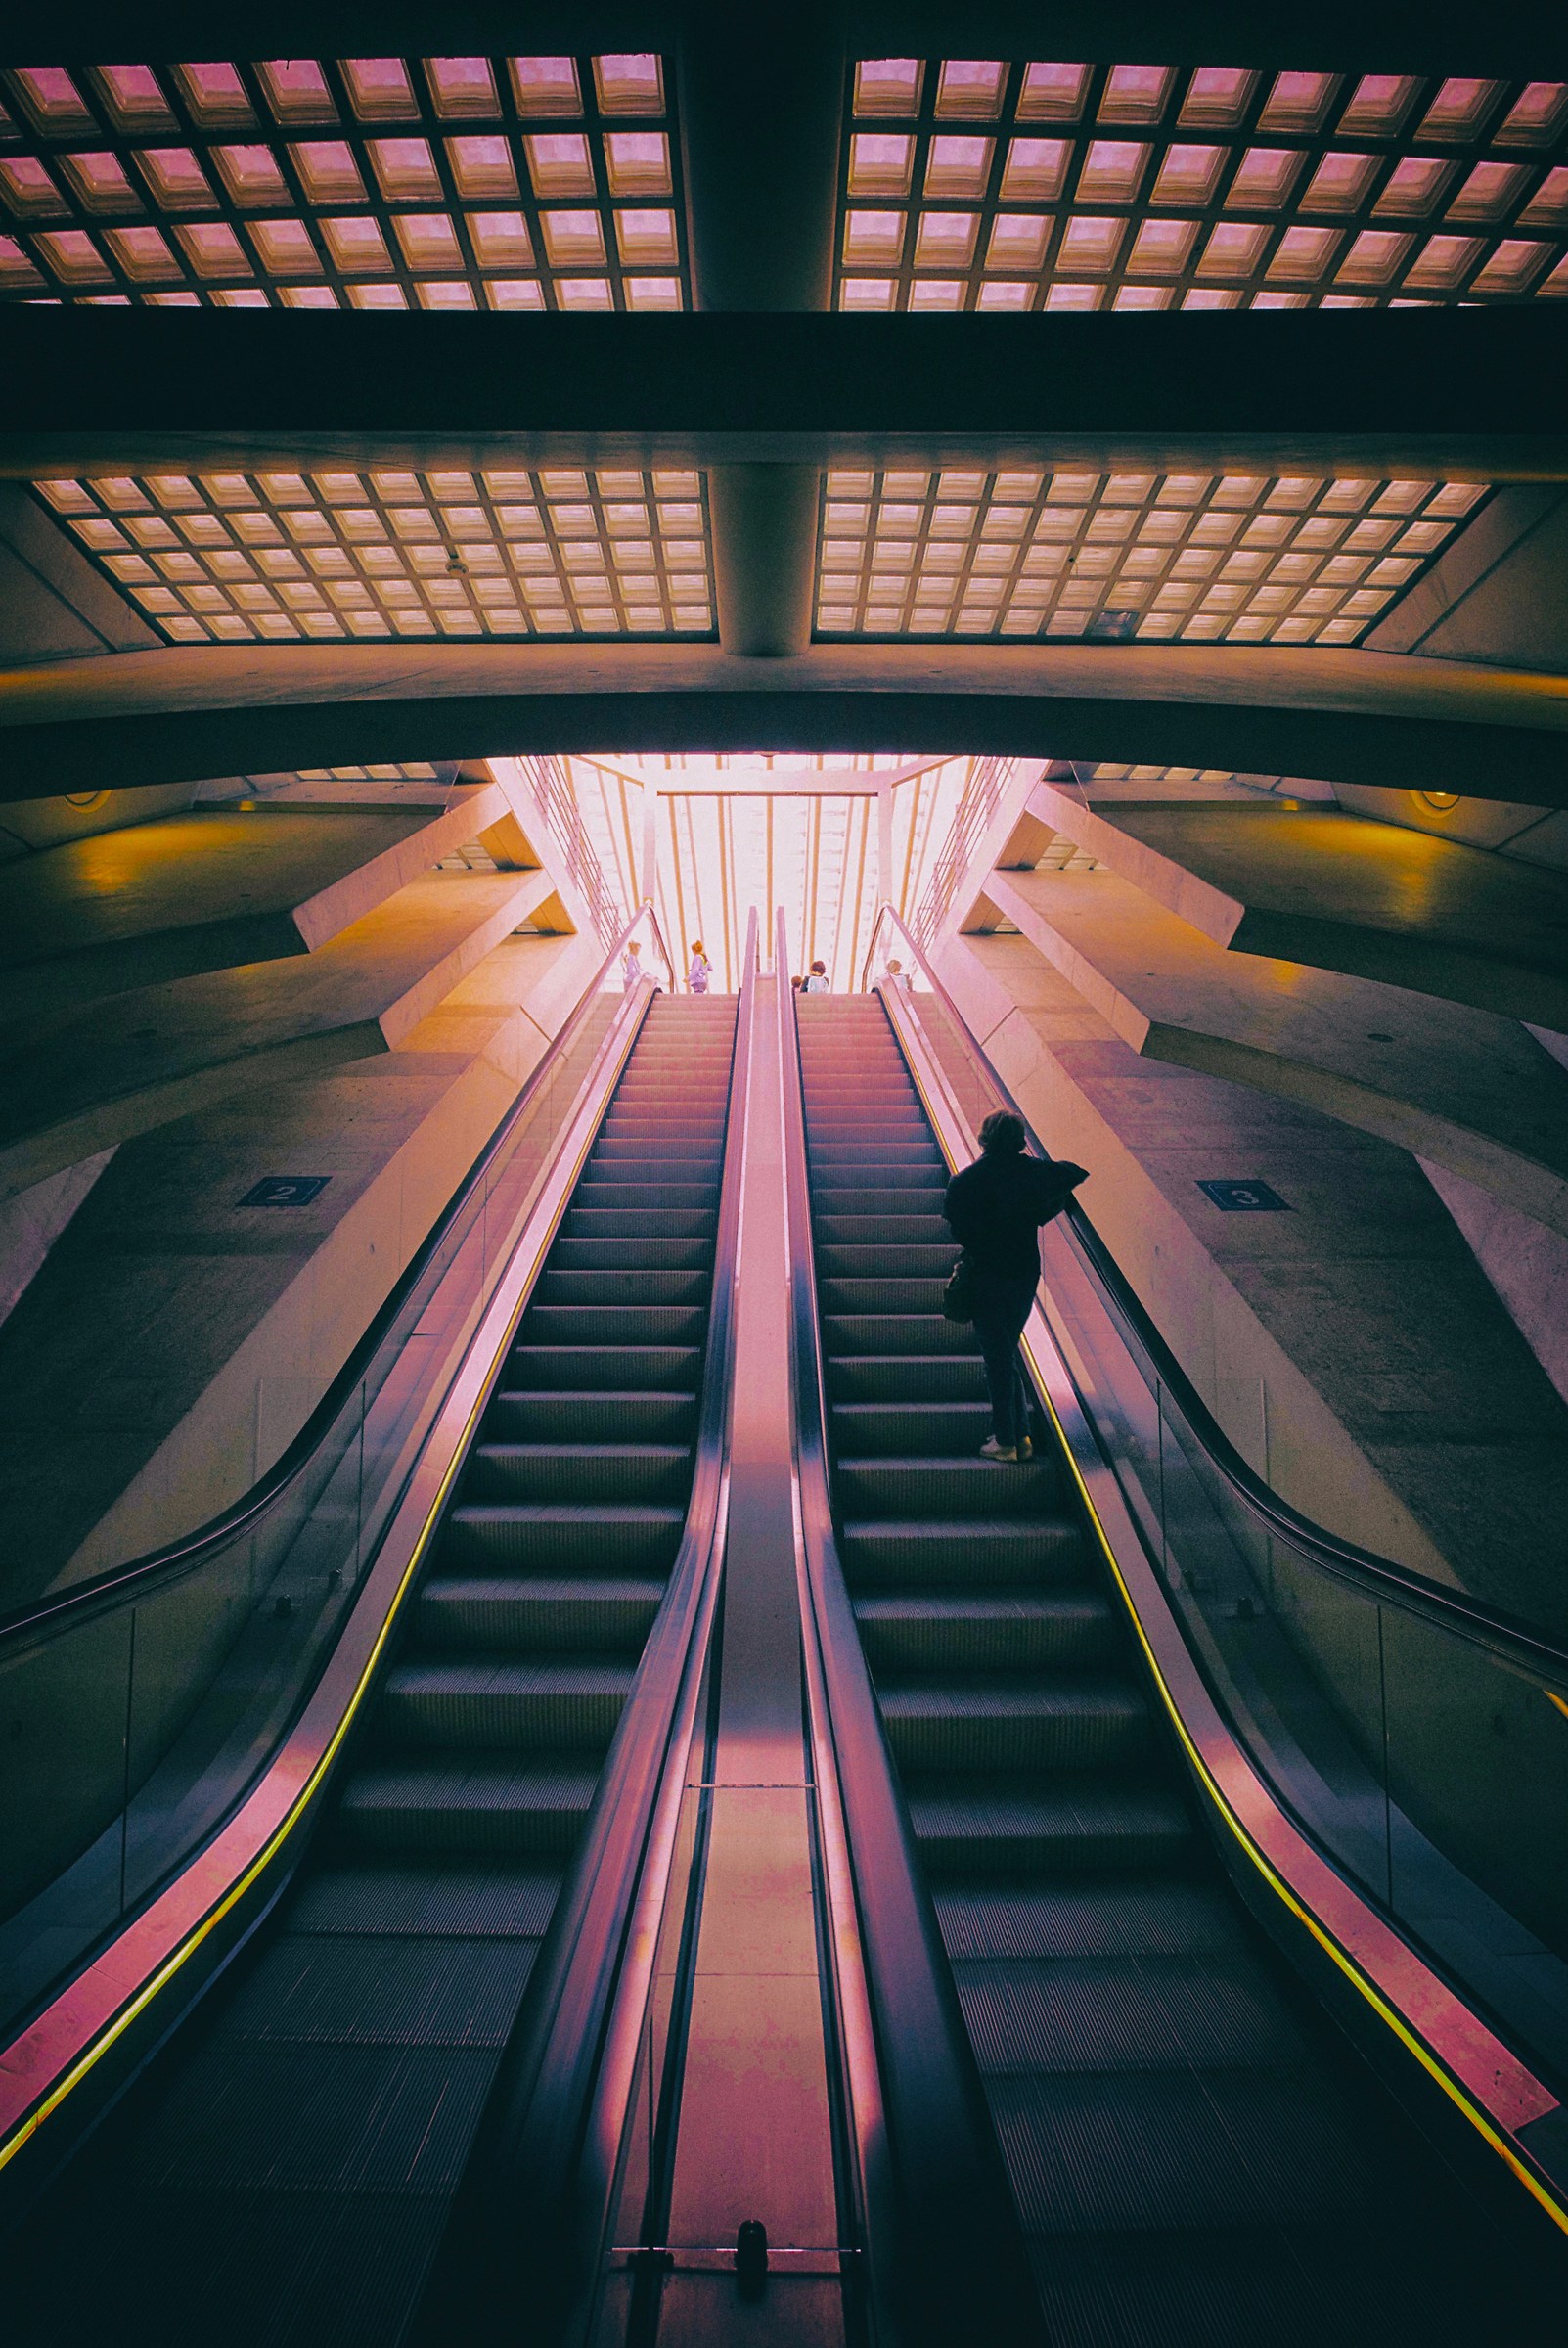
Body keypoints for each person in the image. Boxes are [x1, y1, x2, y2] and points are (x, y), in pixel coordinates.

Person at [943, 1110, 1088, 1464]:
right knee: (1005, 1349)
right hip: (1024, 1273)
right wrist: (1043, 1208)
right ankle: (1020, 1436)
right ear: (1020, 1140)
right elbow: (1075, 1172)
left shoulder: (965, 1182)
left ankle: (1005, 1440)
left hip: (986, 1274)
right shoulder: (1034, 1173)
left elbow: (958, 1229)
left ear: (983, 1138)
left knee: (997, 1356)